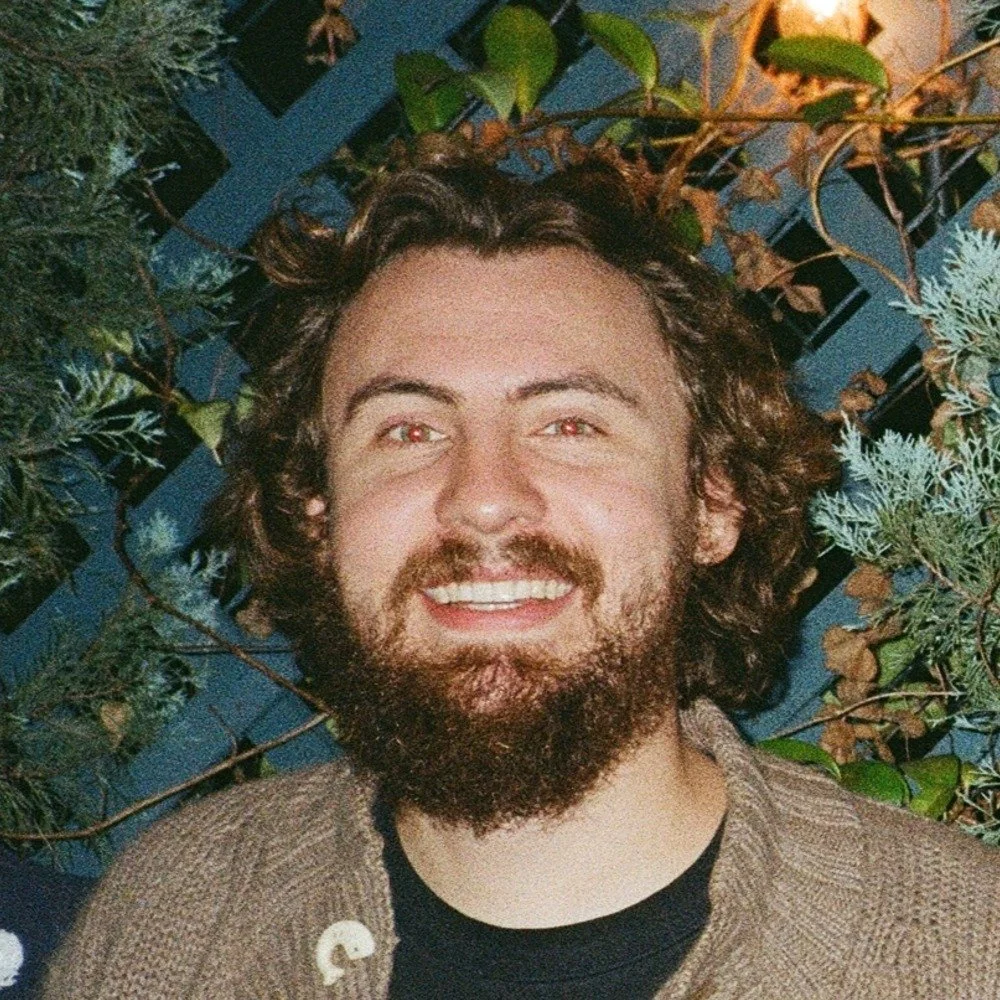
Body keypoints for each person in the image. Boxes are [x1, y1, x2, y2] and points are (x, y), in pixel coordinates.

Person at [45, 159, 1000, 999]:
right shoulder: (177, 916)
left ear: (712, 503)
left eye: (570, 425)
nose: (485, 500)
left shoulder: (964, 958)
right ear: (319, 518)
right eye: (408, 430)